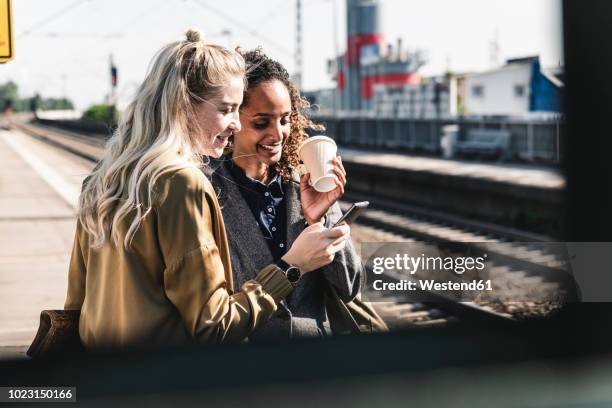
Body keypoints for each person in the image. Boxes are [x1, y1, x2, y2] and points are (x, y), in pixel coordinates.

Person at [64, 30, 350, 350]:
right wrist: (292, 266)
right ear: (183, 105)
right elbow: (213, 326)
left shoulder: (105, 178)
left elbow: (76, 303)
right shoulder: (182, 182)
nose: (236, 124)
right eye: (227, 109)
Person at [207, 48, 363, 340]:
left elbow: (350, 287)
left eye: (285, 119)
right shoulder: (208, 193)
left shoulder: (306, 184)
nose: (278, 134)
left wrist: (323, 219)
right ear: (234, 120)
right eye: (261, 122)